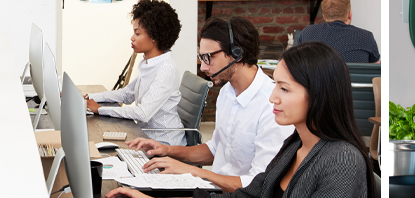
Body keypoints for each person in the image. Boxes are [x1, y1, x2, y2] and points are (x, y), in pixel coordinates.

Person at [107, 42, 378, 198]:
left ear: (319, 94)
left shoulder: (342, 160)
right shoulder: (295, 145)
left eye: (284, 89)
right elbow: (248, 196)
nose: (272, 97)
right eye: (275, 86)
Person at [124, 18, 294, 192]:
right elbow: (215, 150)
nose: (203, 67)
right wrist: (166, 150)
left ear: (237, 53)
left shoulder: (272, 107)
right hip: (214, 189)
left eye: (208, 58)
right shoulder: (227, 92)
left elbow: (260, 186)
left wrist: (193, 172)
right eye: (201, 57)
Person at [85, 0, 186, 146]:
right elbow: (126, 94)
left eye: (137, 34)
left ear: (154, 37)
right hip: (145, 136)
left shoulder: (166, 69)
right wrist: (89, 97)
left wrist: (100, 109)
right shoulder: (148, 63)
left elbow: (142, 113)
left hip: (165, 143)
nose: (132, 38)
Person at [296, 0, 381, 63]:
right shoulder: (366, 37)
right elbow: (375, 68)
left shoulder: (307, 32)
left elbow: (295, 63)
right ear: (349, 15)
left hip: (316, 83)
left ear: (324, 16)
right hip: (351, 83)